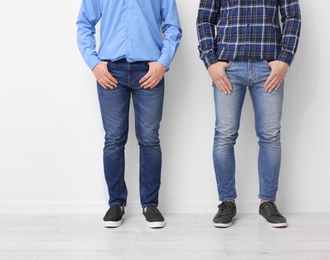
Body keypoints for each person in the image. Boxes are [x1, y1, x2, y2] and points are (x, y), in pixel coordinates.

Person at [76, 0, 182, 228]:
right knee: (113, 140)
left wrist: (162, 63)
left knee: (150, 139)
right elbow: (84, 23)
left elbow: (172, 26)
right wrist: (94, 64)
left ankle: (150, 205)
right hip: (110, 70)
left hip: (150, 70)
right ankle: (116, 204)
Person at [196, 0, 301, 228]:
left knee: (270, 136)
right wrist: (210, 61)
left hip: (268, 68)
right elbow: (204, 19)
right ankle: (227, 202)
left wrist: (285, 59)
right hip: (228, 68)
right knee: (224, 135)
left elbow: (292, 16)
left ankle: (268, 202)